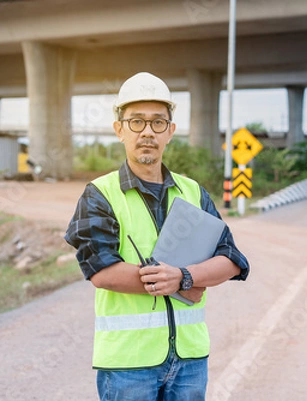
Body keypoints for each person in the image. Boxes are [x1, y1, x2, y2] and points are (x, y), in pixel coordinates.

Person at [65, 72, 249, 401]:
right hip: (128, 364)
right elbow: (102, 270)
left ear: (171, 132)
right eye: (136, 121)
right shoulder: (100, 195)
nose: (147, 132)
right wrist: (183, 284)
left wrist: (184, 276)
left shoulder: (193, 192)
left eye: (158, 123)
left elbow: (232, 260)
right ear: (118, 129)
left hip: (191, 361)